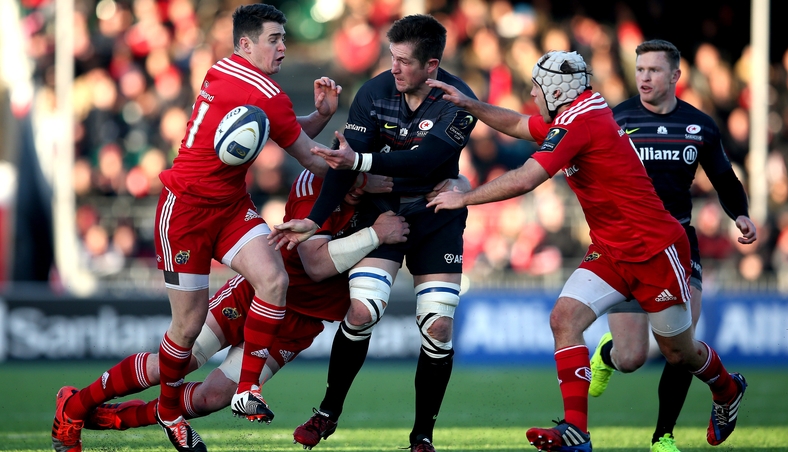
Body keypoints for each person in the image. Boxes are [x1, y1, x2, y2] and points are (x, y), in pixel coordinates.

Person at [51, 4, 345, 452]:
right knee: (185, 332)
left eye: (284, 38)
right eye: (273, 39)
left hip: (229, 208)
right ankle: (78, 408)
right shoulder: (265, 92)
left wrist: (320, 118)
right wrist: (367, 169)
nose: (283, 47)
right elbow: (307, 156)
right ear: (245, 44)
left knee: (273, 278)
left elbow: (282, 133)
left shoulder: (226, 72)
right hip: (185, 212)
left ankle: (247, 389)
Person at [425, 50, 747, 451]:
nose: (531, 92)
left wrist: (465, 197)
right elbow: (520, 124)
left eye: (536, 86)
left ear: (557, 89)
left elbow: (527, 178)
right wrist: (470, 104)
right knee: (564, 319)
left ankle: (728, 387)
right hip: (611, 251)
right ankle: (577, 431)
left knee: (679, 353)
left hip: (654, 251)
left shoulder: (580, 122)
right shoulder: (576, 112)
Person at [51, 168, 410, 451]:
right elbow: (315, 264)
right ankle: (75, 405)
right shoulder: (314, 185)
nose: (359, 181)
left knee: (213, 398)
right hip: (259, 294)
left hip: (301, 322)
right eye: (354, 172)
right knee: (180, 362)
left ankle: (116, 419)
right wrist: (376, 235)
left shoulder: (386, 199)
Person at [269, 15, 478, 452]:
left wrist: (361, 164)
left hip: (437, 215)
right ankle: (328, 411)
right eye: (392, 58)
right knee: (363, 312)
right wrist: (316, 219)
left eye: (404, 61)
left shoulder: (459, 101)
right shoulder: (374, 92)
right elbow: (344, 168)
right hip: (380, 210)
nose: (394, 69)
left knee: (438, 326)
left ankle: (422, 436)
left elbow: (418, 163)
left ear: (432, 66)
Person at [587, 39, 757, 452]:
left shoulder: (700, 125)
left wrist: (741, 214)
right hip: (627, 247)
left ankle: (663, 437)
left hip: (679, 243)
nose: (644, 77)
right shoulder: (616, 118)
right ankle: (609, 354)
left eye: (653, 70)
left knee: (680, 350)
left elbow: (724, 178)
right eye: (640, 69)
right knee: (631, 359)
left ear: (675, 77)